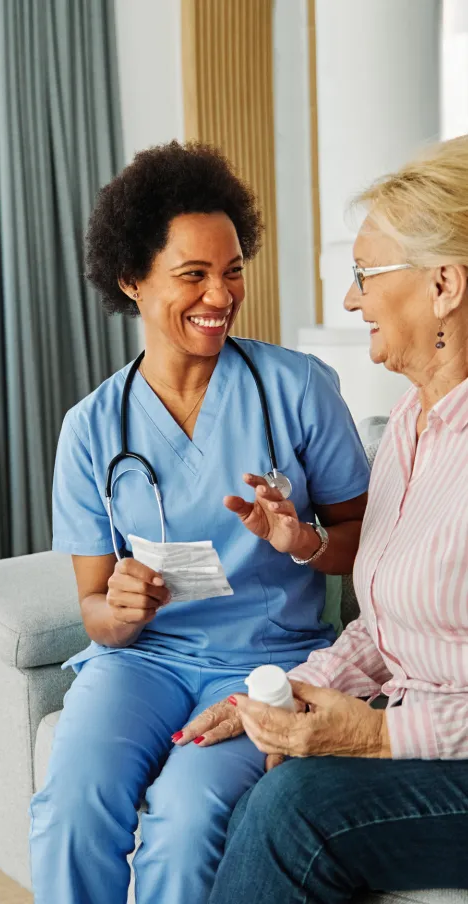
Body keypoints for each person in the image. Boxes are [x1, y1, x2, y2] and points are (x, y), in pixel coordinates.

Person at [28, 141, 369, 904]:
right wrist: (116, 612)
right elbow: (95, 612)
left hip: (263, 658)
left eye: (233, 269)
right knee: (73, 804)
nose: (221, 293)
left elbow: (367, 543)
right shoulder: (90, 428)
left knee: (187, 817)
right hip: (139, 665)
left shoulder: (299, 390)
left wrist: (305, 542)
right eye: (194, 274)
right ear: (131, 280)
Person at [189, 136, 468, 903]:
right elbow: (388, 625)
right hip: (431, 729)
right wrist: (280, 693)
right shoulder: (411, 424)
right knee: (253, 788)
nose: (350, 301)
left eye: (363, 276)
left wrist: (379, 734)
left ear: (444, 284)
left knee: (296, 812)